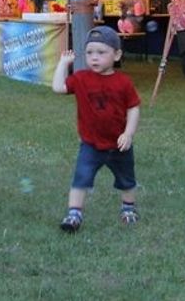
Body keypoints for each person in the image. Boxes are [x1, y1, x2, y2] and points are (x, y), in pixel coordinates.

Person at [51, 26, 141, 232]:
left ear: (116, 54)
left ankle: (128, 208)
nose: (94, 58)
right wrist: (63, 64)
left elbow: (133, 108)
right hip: (91, 144)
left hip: (119, 144)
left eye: (101, 52)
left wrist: (128, 133)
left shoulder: (123, 82)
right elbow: (57, 88)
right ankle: (74, 214)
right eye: (90, 52)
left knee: (127, 179)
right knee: (81, 178)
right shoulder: (81, 78)